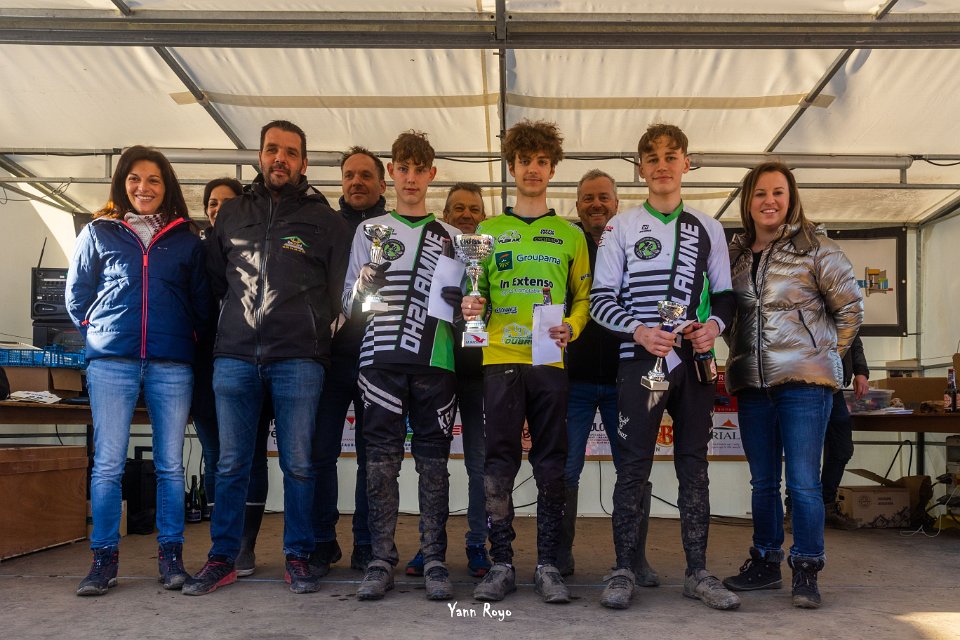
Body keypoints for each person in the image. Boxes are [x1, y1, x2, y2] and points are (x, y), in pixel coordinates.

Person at [184, 120, 350, 596]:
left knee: (299, 464)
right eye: (273, 149)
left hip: (299, 359)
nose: (281, 158)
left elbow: (342, 292)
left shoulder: (326, 221)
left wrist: (311, 333)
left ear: (304, 162)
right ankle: (223, 557)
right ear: (259, 155)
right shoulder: (233, 212)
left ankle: (298, 556)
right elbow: (216, 280)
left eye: (291, 152)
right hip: (234, 357)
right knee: (231, 465)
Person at [590, 123, 738, 611]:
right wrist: (638, 331)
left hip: (693, 363)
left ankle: (698, 573)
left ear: (686, 164)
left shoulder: (708, 227)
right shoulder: (620, 226)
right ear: (640, 169)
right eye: (651, 158)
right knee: (632, 467)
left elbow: (725, 296)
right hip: (639, 361)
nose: (661, 166)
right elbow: (600, 300)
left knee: (694, 466)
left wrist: (713, 326)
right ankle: (624, 569)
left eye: (670, 156)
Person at [66, 145, 210, 596]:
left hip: (171, 362)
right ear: (122, 183)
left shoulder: (187, 239)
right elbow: (77, 296)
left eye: (153, 180)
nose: (143, 188)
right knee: (108, 464)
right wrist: (100, 331)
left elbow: (202, 304)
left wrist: (185, 338)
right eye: (134, 179)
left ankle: (171, 558)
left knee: (170, 465)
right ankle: (103, 560)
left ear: (166, 187)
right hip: (112, 360)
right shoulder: (98, 231)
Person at [461, 119, 592, 605]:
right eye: (524, 161)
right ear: (510, 166)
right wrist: (471, 308)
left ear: (552, 169)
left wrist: (572, 327)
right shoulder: (487, 232)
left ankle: (548, 565)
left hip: (548, 363)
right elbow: (476, 296)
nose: (532, 169)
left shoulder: (571, 235)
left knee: (551, 463)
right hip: (499, 359)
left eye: (541, 161)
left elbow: (584, 299)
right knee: (498, 462)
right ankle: (501, 564)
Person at [721, 161, 863, 609]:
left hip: (805, 385)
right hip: (752, 384)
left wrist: (822, 354)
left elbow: (851, 310)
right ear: (748, 201)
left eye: (778, 192)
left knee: (802, 483)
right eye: (760, 193)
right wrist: (741, 350)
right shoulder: (734, 255)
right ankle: (765, 562)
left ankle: (806, 568)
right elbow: (728, 316)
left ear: (791, 198)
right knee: (763, 481)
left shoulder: (817, 248)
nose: (769, 201)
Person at [342, 130, 460, 601]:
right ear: (391, 172)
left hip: (437, 361)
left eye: (420, 169)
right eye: (403, 168)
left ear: (432, 174)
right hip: (380, 359)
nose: (411, 178)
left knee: (434, 466)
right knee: (380, 464)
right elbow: (348, 304)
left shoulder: (454, 237)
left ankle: (434, 559)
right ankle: (380, 560)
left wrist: (466, 306)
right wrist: (362, 287)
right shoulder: (369, 231)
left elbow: (471, 314)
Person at [558, 169, 658, 587]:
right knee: (565, 470)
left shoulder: (634, 240)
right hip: (574, 382)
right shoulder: (564, 243)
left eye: (603, 198)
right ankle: (559, 554)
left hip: (626, 380)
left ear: (617, 204)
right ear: (577, 205)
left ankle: (634, 557)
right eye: (588, 198)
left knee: (633, 471)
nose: (596, 205)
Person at [405, 183, 492, 579]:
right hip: (435, 372)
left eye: (474, 209)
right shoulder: (432, 253)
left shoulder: (491, 257)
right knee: (432, 465)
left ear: (483, 217)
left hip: (481, 375)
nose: (466, 215)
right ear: (446, 215)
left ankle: (478, 543)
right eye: (458, 208)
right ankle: (430, 544)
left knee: (479, 465)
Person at [310, 146, 387, 576]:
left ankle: (366, 542)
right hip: (328, 358)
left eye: (365, 175)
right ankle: (323, 540)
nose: (356, 182)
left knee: (371, 457)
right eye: (349, 175)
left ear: (381, 182)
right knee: (320, 451)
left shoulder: (395, 228)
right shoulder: (324, 224)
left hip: (378, 357)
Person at [191, 177, 273, 577]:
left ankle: (245, 545)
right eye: (212, 202)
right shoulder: (194, 250)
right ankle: (221, 545)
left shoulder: (256, 250)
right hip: (205, 368)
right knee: (216, 459)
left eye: (227, 202)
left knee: (250, 457)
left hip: (247, 364)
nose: (218, 208)